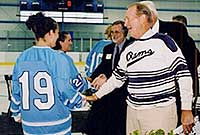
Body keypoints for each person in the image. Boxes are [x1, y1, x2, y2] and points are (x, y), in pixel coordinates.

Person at [85, 2, 194, 135]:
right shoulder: (129, 49)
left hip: (159, 113)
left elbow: (184, 75)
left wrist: (186, 109)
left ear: (142, 18)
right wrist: (96, 96)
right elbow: (116, 79)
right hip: (132, 112)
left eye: (128, 19)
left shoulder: (165, 42)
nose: (126, 24)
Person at [10, 12, 85, 135]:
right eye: (56, 33)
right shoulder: (59, 58)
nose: (57, 37)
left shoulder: (22, 57)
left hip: (30, 125)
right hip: (57, 125)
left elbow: (16, 90)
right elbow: (64, 89)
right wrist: (79, 101)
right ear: (50, 33)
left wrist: (16, 113)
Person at [140, 0, 199, 126]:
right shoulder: (137, 36)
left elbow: (191, 60)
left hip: (175, 94)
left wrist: (188, 99)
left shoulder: (176, 30)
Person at [84, 20, 130, 135]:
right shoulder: (108, 48)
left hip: (124, 93)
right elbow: (103, 66)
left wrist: (106, 77)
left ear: (124, 32)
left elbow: (125, 71)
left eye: (117, 32)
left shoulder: (131, 48)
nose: (114, 35)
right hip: (110, 92)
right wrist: (92, 77)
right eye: (112, 32)